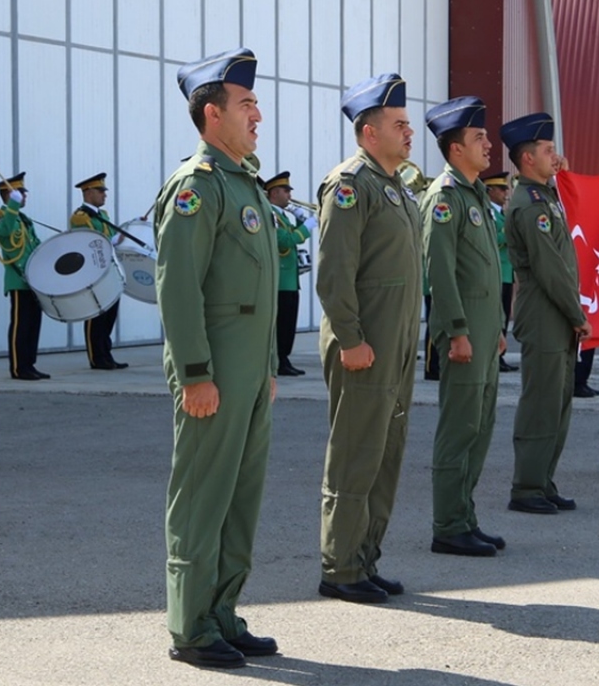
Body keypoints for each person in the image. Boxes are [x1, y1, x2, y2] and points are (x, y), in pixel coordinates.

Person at [154, 47, 280, 669]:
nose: (258, 112)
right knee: (203, 494)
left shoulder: (244, 181)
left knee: (240, 495)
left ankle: (223, 612)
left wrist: (270, 369)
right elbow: (178, 288)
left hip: (251, 370)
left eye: (255, 102)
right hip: (215, 370)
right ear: (212, 114)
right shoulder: (195, 187)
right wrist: (196, 374)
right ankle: (190, 623)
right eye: (246, 103)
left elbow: (259, 285)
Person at [316, 73, 422, 604]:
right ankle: (339, 567)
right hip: (363, 344)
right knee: (356, 452)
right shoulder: (350, 185)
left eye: (408, 124)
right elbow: (334, 273)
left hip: (395, 343)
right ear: (367, 132)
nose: (409, 133)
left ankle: (364, 558)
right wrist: (351, 338)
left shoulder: (395, 187)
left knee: (385, 451)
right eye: (398, 125)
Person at [421, 96, 506, 557]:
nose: (489, 144)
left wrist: (495, 327)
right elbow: (440, 270)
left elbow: (486, 273)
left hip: (482, 333)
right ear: (456, 149)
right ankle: (447, 524)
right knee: (459, 427)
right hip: (461, 336)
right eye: (479, 138)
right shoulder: (445, 198)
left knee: (480, 426)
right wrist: (455, 330)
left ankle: (465, 516)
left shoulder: (475, 195)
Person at [502, 112, 591, 514]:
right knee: (541, 403)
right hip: (544, 314)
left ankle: (544, 480)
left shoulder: (546, 196)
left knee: (559, 402)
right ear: (526, 158)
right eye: (548, 150)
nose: (556, 157)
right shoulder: (528, 204)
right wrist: (577, 313)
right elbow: (550, 267)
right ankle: (526, 486)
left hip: (557, 315)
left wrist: (561, 176)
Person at [0, 172, 47, 380]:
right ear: (9, 194)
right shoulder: (0, 217)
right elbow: (5, 232)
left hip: (34, 279)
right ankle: (18, 368)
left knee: (33, 324)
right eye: (21, 192)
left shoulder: (24, 219)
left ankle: (29, 364)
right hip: (18, 279)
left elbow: (34, 245)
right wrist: (12, 206)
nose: (25, 196)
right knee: (21, 324)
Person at [70, 173, 127, 370]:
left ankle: (106, 354)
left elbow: (107, 238)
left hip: (109, 271)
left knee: (109, 315)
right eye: (100, 191)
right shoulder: (80, 217)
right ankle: (97, 357)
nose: (105, 195)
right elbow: (84, 244)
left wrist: (115, 240)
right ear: (88, 192)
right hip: (93, 274)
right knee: (96, 316)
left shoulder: (103, 215)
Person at [261, 171, 316, 377]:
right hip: (279, 281)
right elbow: (285, 240)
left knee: (288, 323)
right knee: (281, 324)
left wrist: (301, 222)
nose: (289, 196)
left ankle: (284, 358)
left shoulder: (282, 215)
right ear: (274, 193)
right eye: (285, 191)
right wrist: (307, 227)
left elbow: (293, 234)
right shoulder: (270, 214)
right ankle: (279, 360)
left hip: (289, 280)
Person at [485, 171, 519, 373]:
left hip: (507, 272)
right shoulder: (488, 212)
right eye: (501, 189)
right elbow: (493, 238)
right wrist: (508, 230)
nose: (505, 192)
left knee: (504, 317)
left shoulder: (501, 213)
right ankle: (494, 356)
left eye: (505, 188)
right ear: (490, 191)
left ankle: (501, 355)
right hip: (496, 271)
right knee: (496, 318)